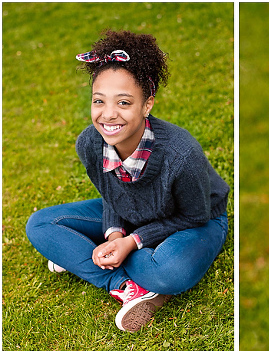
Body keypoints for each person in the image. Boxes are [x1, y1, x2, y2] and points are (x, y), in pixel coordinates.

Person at [26, 30, 230, 332]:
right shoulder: (89, 144)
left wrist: (132, 242)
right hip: (130, 214)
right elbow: (111, 196)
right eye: (99, 101)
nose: (108, 115)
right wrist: (113, 238)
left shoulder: (181, 153)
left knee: (171, 272)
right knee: (40, 225)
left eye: (123, 103)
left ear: (146, 105)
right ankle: (124, 285)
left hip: (195, 220)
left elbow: (195, 214)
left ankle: (80, 255)